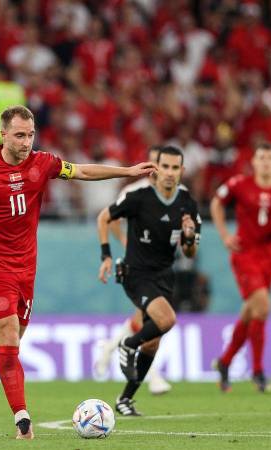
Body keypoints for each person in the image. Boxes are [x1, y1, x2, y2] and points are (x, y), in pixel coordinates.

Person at [0, 105, 156, 439]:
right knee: (9, 339)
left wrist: (127, 172)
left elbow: (82, 172)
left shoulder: (43, 164)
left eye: (30, 135)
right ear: (3, 134)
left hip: (26, 268)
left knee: (9, 337)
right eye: (19, 135)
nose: (26, 142)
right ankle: (23, 422)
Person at [97, 145, 200, 416]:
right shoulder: (139, 196)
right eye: (164, 166)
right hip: (136, 273)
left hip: (164, 276)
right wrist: (107, 255)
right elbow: (104, 217)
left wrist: (189, 236)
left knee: (153, 341)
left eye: (174, 168)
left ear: (181, 171)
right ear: (156, 168)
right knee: (166, 320)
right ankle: (127, 344)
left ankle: (125, 399)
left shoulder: (187, 203)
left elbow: (190, 252)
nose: (168, 172)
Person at [94, 146, 172, 395]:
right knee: (154, 320)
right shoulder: (134, 191)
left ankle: (109, 347)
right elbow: (109, 218)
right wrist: (125, 243)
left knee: (144, 320)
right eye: (152, 162)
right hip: (137, 267)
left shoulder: (174, 194)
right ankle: (154, 376)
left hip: (160, 266)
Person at [210, 142, 271, 393]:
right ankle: (257, 371)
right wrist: (225, 234)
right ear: (254, 162)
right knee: (262, 306)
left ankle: (225, 363)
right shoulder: (239, 184)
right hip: (245, 253)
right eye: (261, 157)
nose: (266, 162)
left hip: (268, 255)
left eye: (269, 158)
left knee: (251, 311)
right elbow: (216, 202)